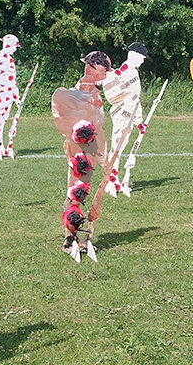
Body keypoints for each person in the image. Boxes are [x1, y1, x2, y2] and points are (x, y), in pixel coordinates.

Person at [52, 51, 110, 255]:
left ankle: (75, 236)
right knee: (77, 189)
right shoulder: (85, 90)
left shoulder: (91, 89)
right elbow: (90, 121)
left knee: (79, 189)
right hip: (82, 147)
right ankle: (70, 238)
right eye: (104, 70)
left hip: (88, 146)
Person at [102, 42, 146, 196]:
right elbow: (128, 96)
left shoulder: (127, 70)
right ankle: (110, 180)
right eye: (141, 58)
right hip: (123, 114)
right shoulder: (128, 72)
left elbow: (134, 97)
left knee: (119, 146)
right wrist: (138, 120)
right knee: (117, 147)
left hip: (125, 114)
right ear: (135, 56)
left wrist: (138, 121)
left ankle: (114, 180)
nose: (142, 61)